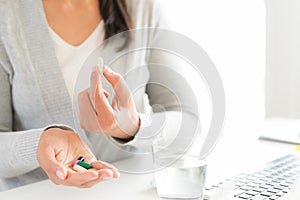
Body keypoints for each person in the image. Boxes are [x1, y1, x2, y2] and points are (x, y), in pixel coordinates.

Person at [0, 0, 199, 191]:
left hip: (126, 193)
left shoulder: (142, 7)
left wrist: (134, 126)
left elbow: (188, 124)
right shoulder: (7, 15)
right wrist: (39, 144)